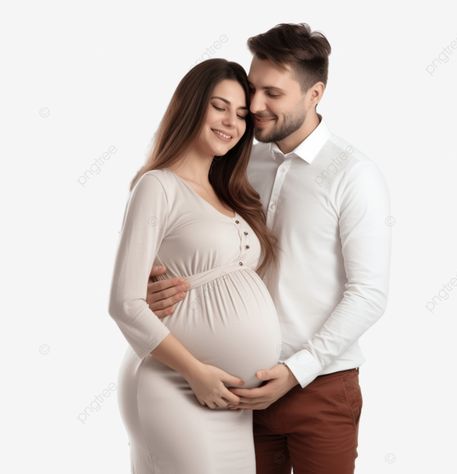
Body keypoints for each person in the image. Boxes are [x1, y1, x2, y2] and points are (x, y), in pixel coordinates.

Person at [146, 23, 391, 474]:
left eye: (272, 94)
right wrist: (156, 283)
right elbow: (197, 241)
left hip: (320, 389)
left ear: (315, 93)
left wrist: (299, 369)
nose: (254, 106)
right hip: (231, 388)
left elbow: (369, 293)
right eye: (251, 89)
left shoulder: (353, 174)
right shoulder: (237, 159)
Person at [107, 58, 282, 474]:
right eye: (219, 106)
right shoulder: (158, 185)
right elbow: (124, 303)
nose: (231, 122)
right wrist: (196, 372)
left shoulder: (232, 195)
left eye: (241, 115)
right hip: (177, 386)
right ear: (191, 106)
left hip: (233, 405)